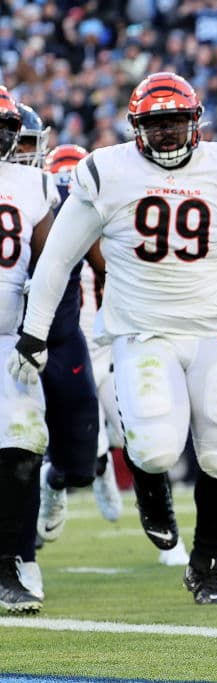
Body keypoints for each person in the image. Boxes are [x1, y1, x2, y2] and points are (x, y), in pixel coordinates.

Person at [7, 72, 217, 604]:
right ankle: (152, 494)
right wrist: (34, 331)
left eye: (174, 122)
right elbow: (57, 259)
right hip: (144, 331)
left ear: (195, 122)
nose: (166, 134)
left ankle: (205, 565)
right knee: (153, 447)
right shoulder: (107, 172)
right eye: (154, 124)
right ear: (135, 127)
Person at [44, 143, 123, 525]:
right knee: (67, 443)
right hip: (68, 348)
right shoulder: (43, 229)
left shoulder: (107, 226)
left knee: (136, 434)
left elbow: (118, 274)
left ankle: (103, 464)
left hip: (108, 346)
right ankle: (80, 473)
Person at [0, 87, 57, 614]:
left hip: (8, 337)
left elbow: (50, 264)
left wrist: (39, 331)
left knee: (23, 448)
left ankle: (11, 562)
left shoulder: (37, 184)